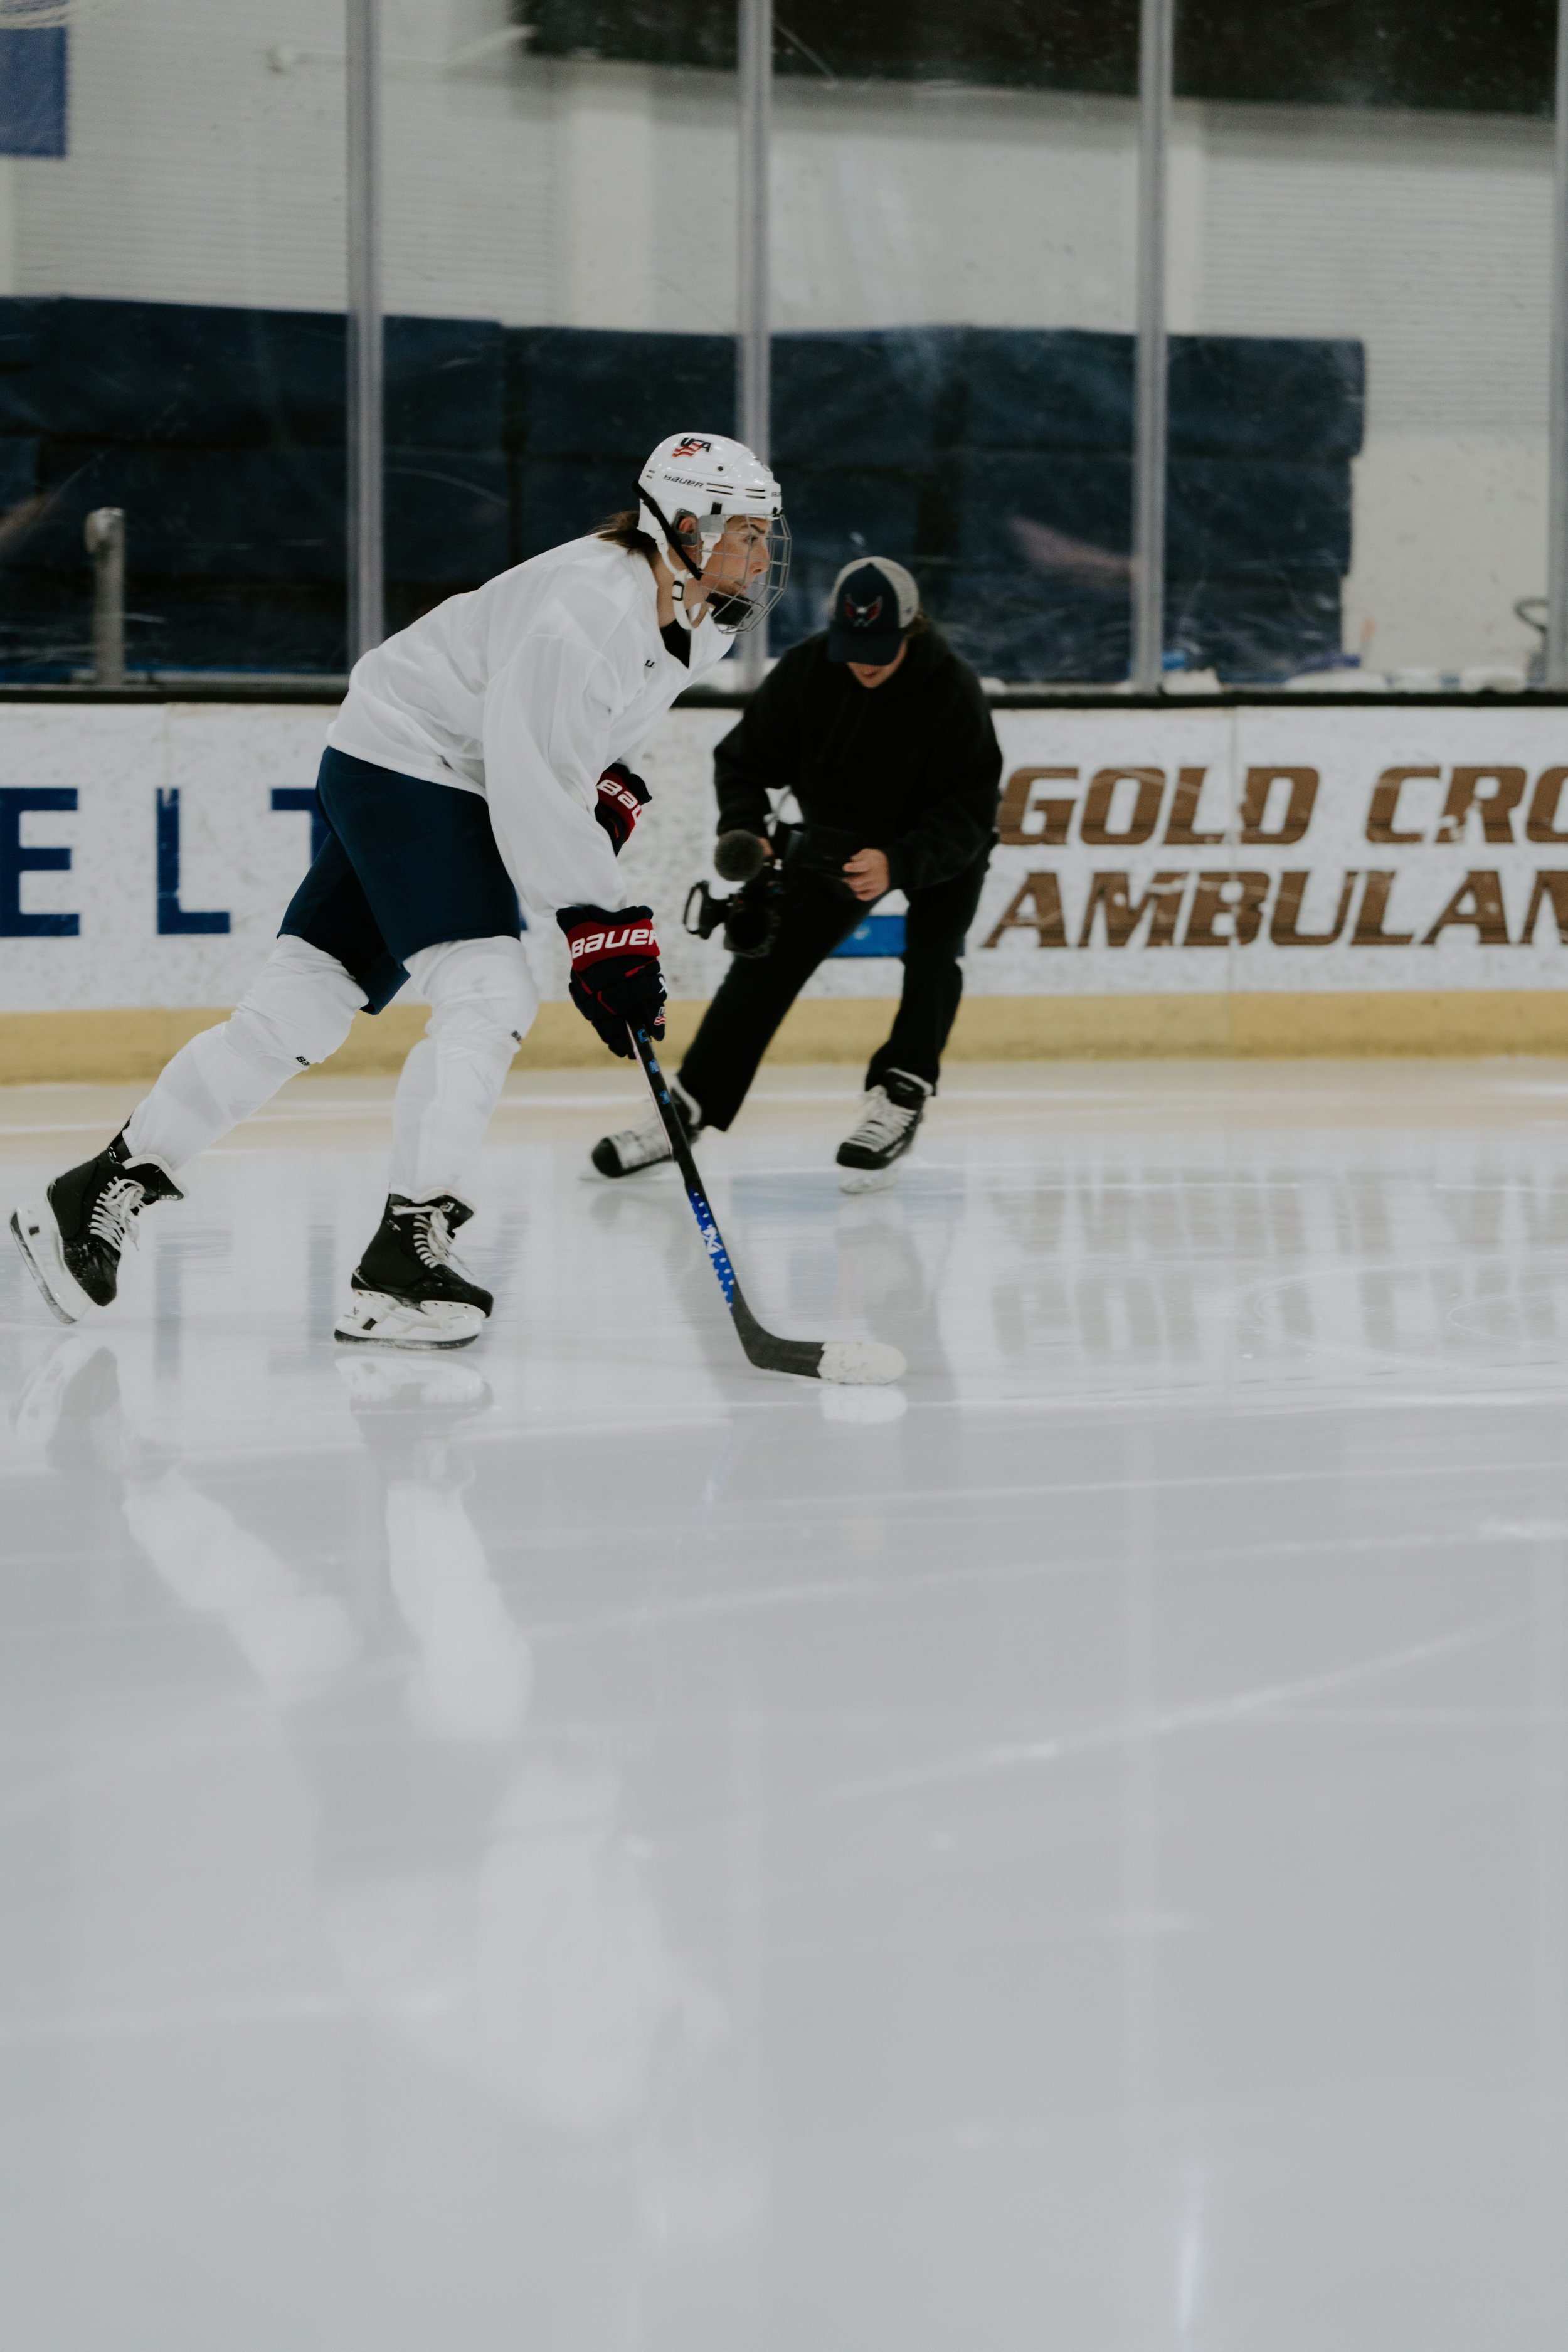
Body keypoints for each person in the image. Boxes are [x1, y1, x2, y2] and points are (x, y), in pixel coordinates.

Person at [11, 433, 790, 1348]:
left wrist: (605, 799)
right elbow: (533, 777)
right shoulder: (586, 609)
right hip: (410, 764)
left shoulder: (698, 614)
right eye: (746, 533)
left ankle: (98, 1188)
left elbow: (586, 741)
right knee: (490, 990)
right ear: (686, 526)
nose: (761, 555)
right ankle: (402, 1257)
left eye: (764, 534)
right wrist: (603, 927)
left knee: (298, 1011)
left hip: (433, 769)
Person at [590, 556, 1002, 1191]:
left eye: (880, 648)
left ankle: (902, 1090)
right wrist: (747, 826)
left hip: (939, 845)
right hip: (837, 841)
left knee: (933, 958)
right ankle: (691, 1107)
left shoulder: (951, 688)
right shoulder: (809, 672)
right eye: (854, 646)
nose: (865, 662)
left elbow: (972, 806)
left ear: (911, 628)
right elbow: (742, 761)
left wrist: (900, 862)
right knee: (766, 961)